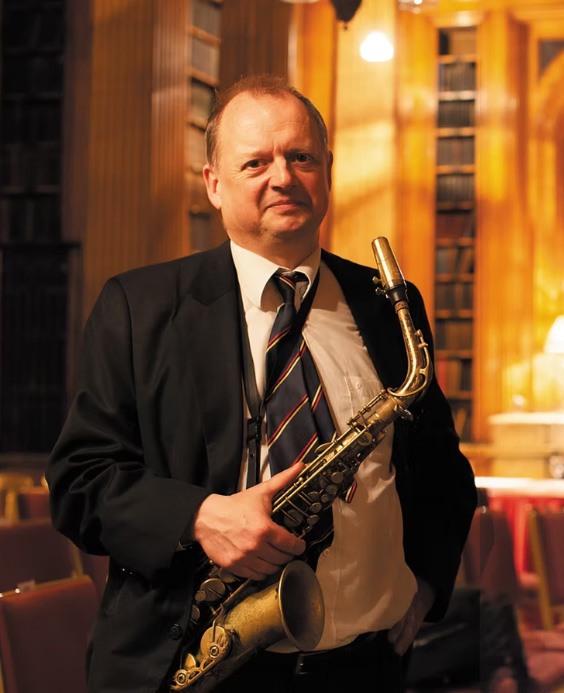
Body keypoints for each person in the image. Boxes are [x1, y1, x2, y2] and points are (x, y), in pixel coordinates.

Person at [47, 74, 477, 693]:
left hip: (364, 667)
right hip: (196, 665)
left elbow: (442, 473)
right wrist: (199, 517)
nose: (282, 176)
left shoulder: (389, 304)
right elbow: (79, 481)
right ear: (213, 185)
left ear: (326, 170)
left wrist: (426, 588)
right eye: (255, 161)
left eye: (300, 157)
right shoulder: (138, 306)